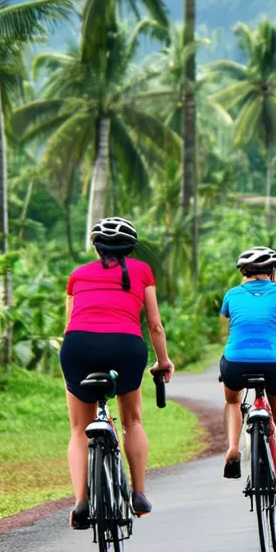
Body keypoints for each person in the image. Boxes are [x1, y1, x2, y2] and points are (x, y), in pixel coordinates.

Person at [62, 217, 175, 529]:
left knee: (77, 430)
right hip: (125, 347)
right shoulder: (142, 271)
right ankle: (138, 494)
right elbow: (154, 324)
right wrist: (162, 361)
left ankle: (81, 501)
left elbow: (69, 324)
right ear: (131, 248)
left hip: (77, 347)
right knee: (132, 421)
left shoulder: (77, 275)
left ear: (96, 247)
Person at [218, 246, 276, 501]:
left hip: (236, 361)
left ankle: (233, 448)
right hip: (275, 362)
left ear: (243, 271)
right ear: (273, 271)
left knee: (232, 400)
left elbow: (225, 335)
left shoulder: (231, 295)